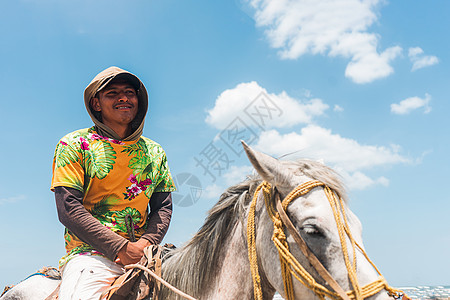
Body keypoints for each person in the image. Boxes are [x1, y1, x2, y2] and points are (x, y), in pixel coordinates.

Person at [51, 66, 176, 299]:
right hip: (92, 255)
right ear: (96, 104)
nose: (123, 98)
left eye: (129, 92)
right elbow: (68, 207)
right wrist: (119, 247)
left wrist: (146, 244)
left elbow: (163, 207)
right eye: (112, 93)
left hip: (146, 254)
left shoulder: (155, 151)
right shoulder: (74, 144)